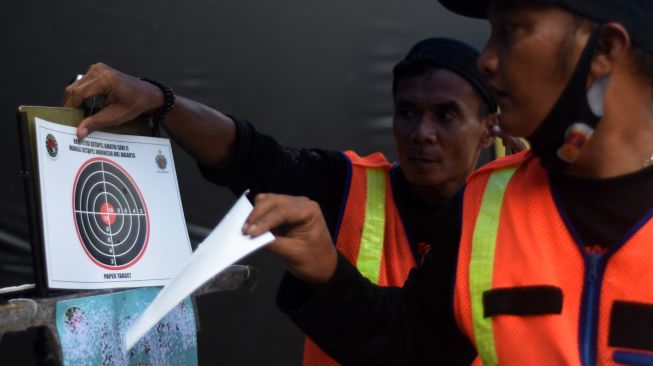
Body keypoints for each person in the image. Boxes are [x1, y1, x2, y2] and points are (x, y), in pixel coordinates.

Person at [241, 0, 653, 364]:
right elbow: (411, 343)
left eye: (511, 29)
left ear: (604, 49)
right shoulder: (484, 205)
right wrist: (325, 271)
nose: (486, 60)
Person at [63, 38, 511, 365]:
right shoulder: (346, 186)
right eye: (408, 111)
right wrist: (160, 101)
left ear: (490, 127)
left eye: (446, 115)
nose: (422, 133)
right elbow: (252, 156)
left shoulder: (516, 218)